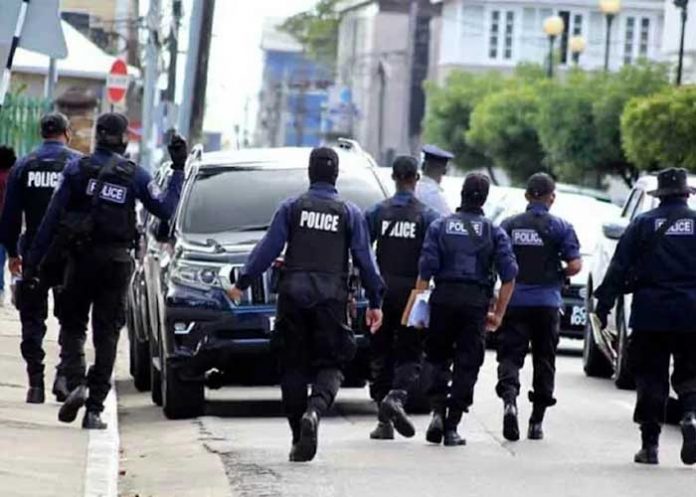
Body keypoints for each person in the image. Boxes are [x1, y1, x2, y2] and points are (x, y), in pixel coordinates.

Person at [26, 112, 187, 429]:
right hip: (116, 264)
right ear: (124, 139)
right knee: (108, 334)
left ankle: (76, 383)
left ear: (97, 137)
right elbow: (166, 209)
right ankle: (95, 409)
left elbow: (50, 220)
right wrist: (178, 169)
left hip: (79, 260)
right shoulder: (135, 175)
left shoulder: (76, 169)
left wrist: (34, 264)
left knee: (72, 325)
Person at [227, 147, 385, 462]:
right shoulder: (349, 212)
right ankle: (314, 412)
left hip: (293, 297)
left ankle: (299, 435)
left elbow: (267, 249)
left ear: (310, 173)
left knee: (292, 366)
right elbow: (366, 261)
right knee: (332, 364)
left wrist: (242, 283)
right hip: (332, 300)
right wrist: (375, 300)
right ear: (335, 175)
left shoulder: (292, 207)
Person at [595, 167, 696, 466]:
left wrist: (604, 304)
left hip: (651, 312)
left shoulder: (643, 224)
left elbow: (619, 266)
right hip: (692, 312)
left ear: (660, 195)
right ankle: (691, 417)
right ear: (685, 194)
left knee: (651, 376)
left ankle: (649, 446)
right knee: (691, 373)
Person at [416, 173, 517, 446]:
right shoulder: (493, 232)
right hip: (475, 305)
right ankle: (452, 426)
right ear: (484, 199)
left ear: (461, 194)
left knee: (437, 357)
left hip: (443, 299)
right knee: (467, 363)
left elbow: (425, 271)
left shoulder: (440, 226)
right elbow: (509, 276)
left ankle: (437, 410)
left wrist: (415, 310)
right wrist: (499, 314)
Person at [0, 114, 81, 404]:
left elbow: (9, 216)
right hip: (69, 255)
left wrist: (12, 252)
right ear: (67, 133)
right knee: (71, 318)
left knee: (32, 320)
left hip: (33, 252)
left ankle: (35, 383)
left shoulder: (24, 165)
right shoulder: (77, 164)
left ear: (41, 133)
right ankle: (63, 375)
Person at [495, 173, 582, 442]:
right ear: (551, 197)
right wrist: (561, 274)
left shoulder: (509, 225)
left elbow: (495, 261)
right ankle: (536, 421)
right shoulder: (561, 227)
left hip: (515, 302)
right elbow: (576, 265)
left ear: (526, 196)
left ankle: (510, 400)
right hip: (547, 304)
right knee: (544, 360)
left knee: (510, 356)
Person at [364, 156, 440, 440]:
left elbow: (361, 248)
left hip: (382, 292)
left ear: (393, 178)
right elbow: (435, 256)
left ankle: (384, 423)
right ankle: (396, 397)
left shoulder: (377, 212)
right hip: (414, 296)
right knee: (410, 353)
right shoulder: (427, 216)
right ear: (416, 179)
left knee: (381, 354)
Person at [415, 144, 454, 216]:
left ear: (423, 166)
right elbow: (448, 219)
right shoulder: (437, 197)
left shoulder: (413, 189)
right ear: (444, 171)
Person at [0, 145, 17, 306]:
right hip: (12, 223)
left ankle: (0, 291)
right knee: (15, 257)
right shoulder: (14, 176)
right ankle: (16, 284)